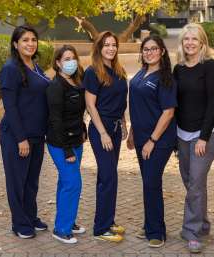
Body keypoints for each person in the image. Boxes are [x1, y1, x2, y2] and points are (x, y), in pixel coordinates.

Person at [173, 23, 214, 253]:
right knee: (191, 180)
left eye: (195, 39)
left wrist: (203, 137)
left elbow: (213, 103)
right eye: (186, 39)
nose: (190, 43)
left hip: (207, 133)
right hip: (182, 133)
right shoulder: (179, 69)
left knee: (195, 182)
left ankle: (191, 231)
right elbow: (176, 104)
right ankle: (202, 223)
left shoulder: (211, 67)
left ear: (203, 43)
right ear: (182, 43)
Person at [0, 25, 49, 239]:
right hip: (17, 136)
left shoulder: (35, 66)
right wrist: (21, 138)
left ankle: (30, 216)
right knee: (17, 180)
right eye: (25, 40)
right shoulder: (11, 68)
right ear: (15, 44)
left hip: (37, 135)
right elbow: (10, 107)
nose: (30, 43)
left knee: (31, 181)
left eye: (33, 39)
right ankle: (19, 223)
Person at [127, 35, 177, 248]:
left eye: (154, 49)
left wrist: (152, 140)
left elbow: (168, 113)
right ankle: (150, 226)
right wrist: (131, 132)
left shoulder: (165, 78)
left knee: (151, 183)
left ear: (162, 51)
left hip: (159, 140)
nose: (149, 52)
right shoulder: (140, 74)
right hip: (140, 137)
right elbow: (137, 106)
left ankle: (157, 232)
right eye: (146, 49)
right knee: (148, 183)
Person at [83, 31, 128, 242]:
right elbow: (90, 105)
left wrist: (124, 124)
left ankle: (108, 220)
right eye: (106, 45)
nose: (111, 48)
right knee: (107, 177)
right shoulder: (93, 72)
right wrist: (102, 133)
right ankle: (101, 228)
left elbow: (121, 100)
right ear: (99, 47)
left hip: (116, 127)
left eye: (114, 44)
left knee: (111, 177)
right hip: (102, 129)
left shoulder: (118, 70)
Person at [46, 45, 87, 244]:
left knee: (65, 183)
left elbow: (78, 112)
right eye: (66, 59)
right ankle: (61, 229)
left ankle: (68, 222)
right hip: (61, 144)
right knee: (73, 184)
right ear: (58, 63)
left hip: (76, 140)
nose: (71, 62)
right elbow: (56, 120)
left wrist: (83, 130)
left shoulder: (76, 81)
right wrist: (67, 149)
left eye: (73, 58)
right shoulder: (56, 87)